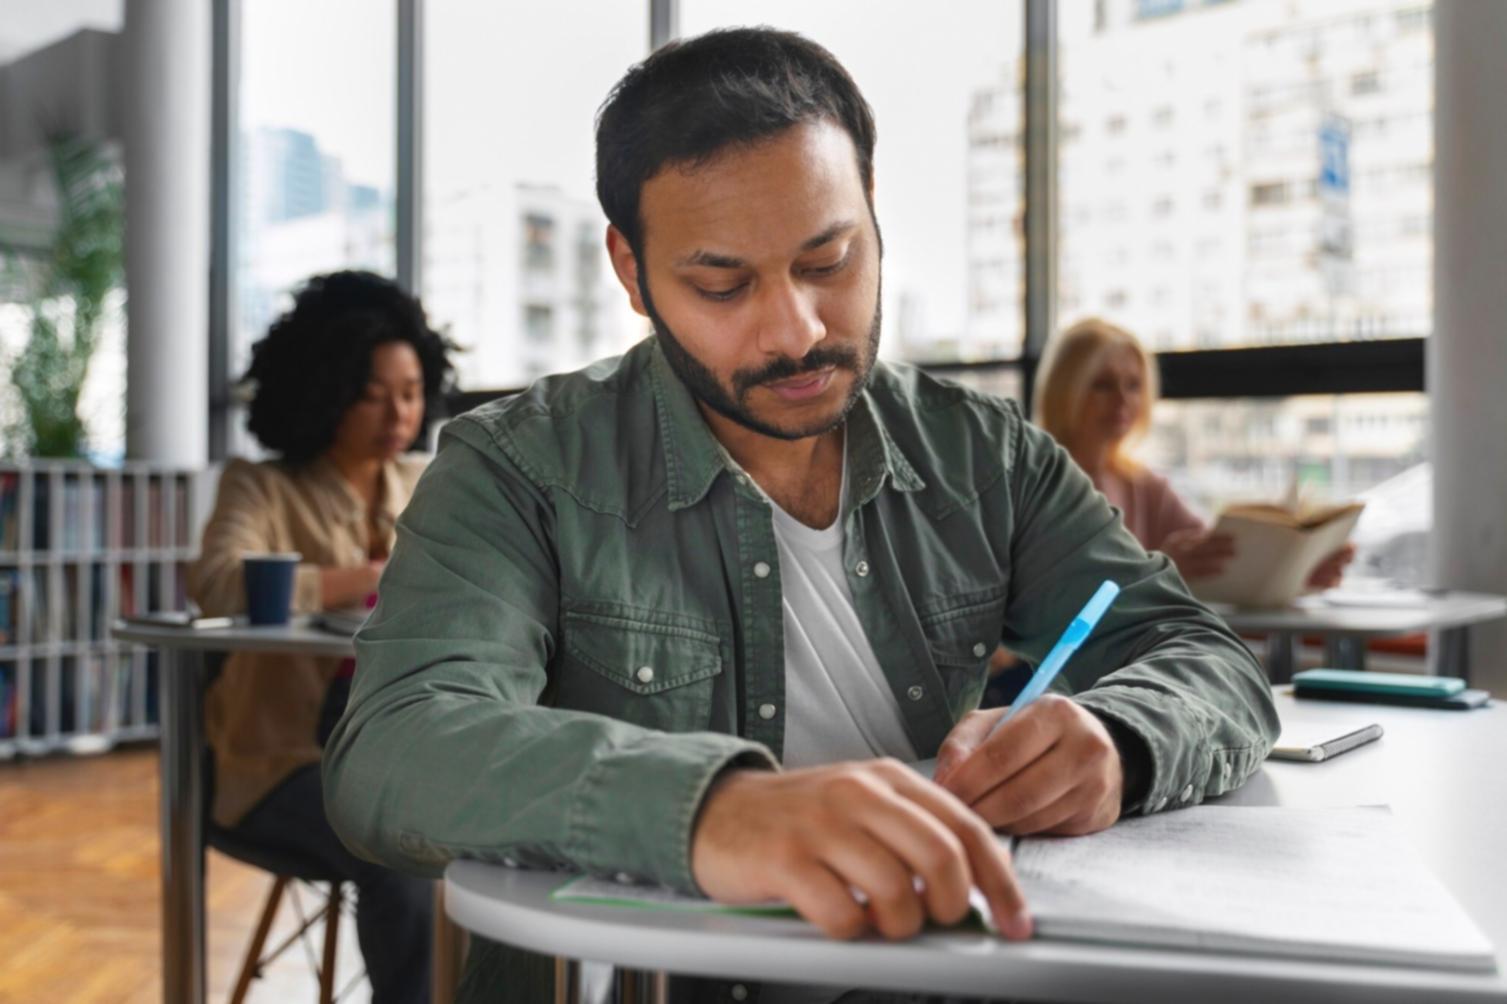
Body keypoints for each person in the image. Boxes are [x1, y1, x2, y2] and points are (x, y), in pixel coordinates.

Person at [323, 29, 1278, 1004]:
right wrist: (713, 809)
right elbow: (396, 746)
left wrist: (1119, 739)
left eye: (829, 259)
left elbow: (1201, 654)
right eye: (722, 284)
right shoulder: (519, 466)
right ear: (630, 270)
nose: (797, 331)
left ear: (872, 209)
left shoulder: (983, 454)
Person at [189, 269, 454, 1004]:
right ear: (323, 389)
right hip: (281, 765)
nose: (398, 413)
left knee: (509, 830)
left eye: (411, 392)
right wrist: (364, 576)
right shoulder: (261, 486)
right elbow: (218, 582)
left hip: (408, 752)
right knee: (402, 849)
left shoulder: (432, 481)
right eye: (372, 394)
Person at [1033, 317, 1353, 588]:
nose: (1123, 400)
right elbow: (1052, 601)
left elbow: (1215, 560)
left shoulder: (1144, 486)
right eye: (1102, 385)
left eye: (1133, 385)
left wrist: (1299, 572)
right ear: (1064, 390)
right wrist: (1157, 572)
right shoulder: (1036, 487)